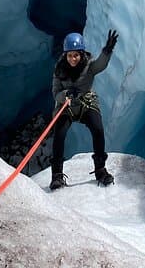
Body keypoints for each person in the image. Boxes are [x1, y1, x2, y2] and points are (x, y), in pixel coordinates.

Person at [49, 28, 119, 190]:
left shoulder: (89, 66)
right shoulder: (59, 69)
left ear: (81, 54)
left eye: (76, 55)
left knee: (98, 129)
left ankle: (100, 170)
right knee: (59, 134)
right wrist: (66, 94)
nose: (73, 59)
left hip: (86, 103)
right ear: (65, 55)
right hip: (66, 106)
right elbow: (55, 93)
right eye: (70, 55)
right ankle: (57, 175)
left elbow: (100, 65)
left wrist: (107, 50)